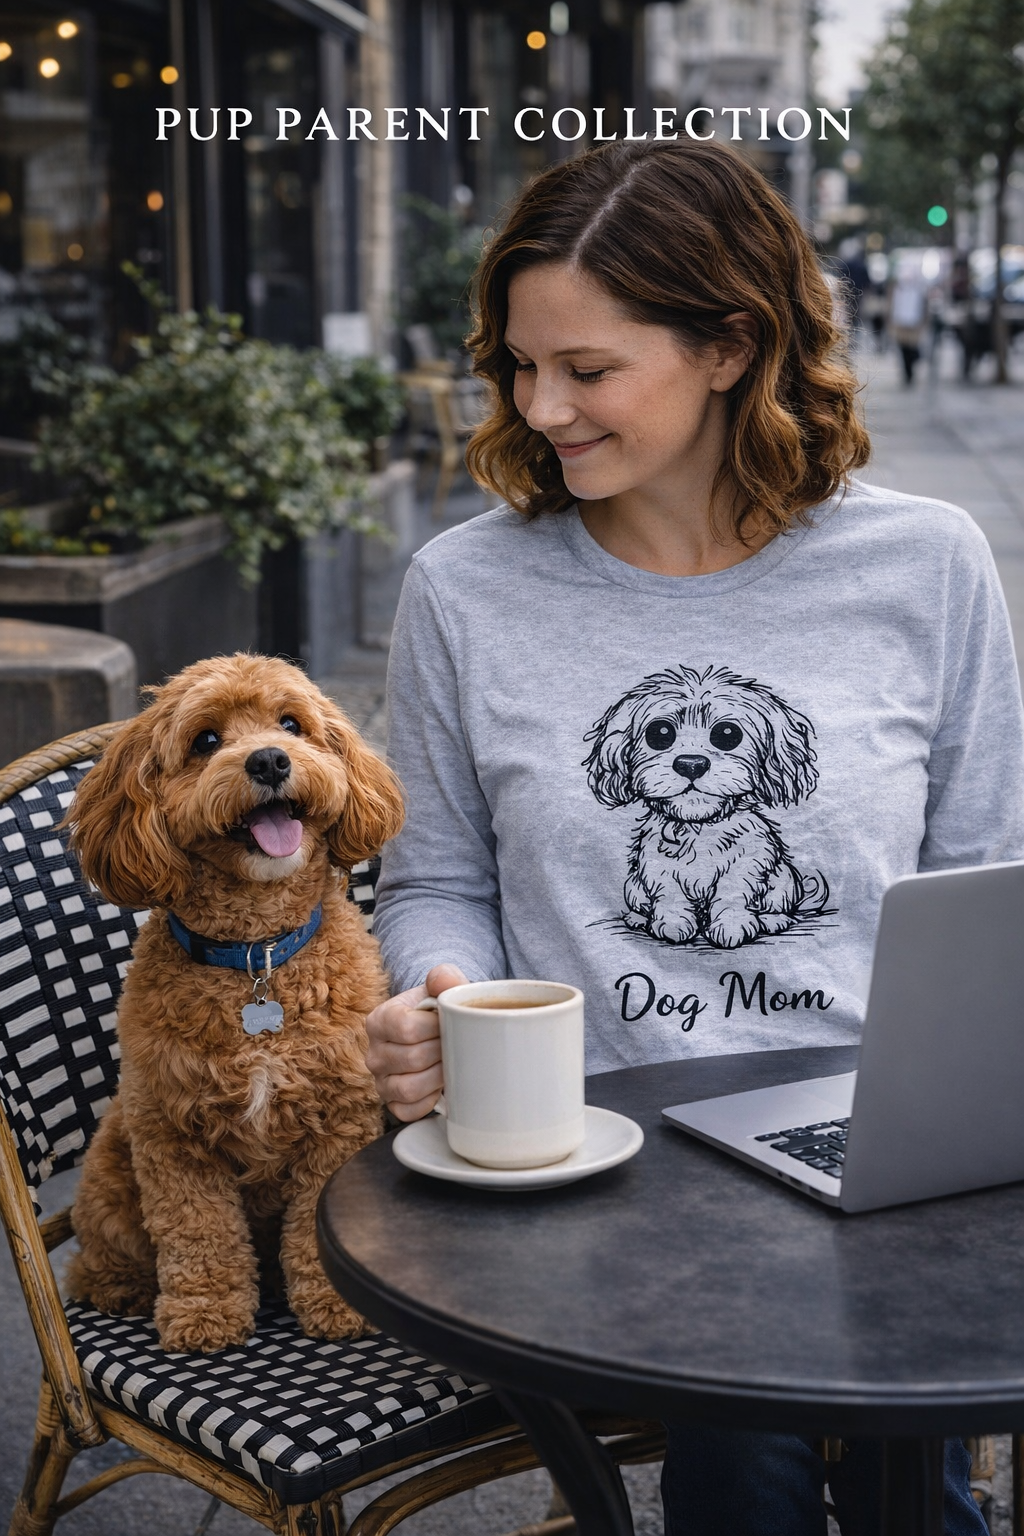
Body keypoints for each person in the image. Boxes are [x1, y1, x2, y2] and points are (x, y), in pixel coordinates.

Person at [365, 139, 1024, 1534]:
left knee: (861, 1443)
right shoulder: (463, 591)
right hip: (611, 1156)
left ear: (731, 346)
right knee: (772, 1442)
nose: (540, 406)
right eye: (519, 365)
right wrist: (439, 992)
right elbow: (434, 880)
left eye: (587, 369)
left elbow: (986, 881)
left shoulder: (928, 564)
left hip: (881, 1144)